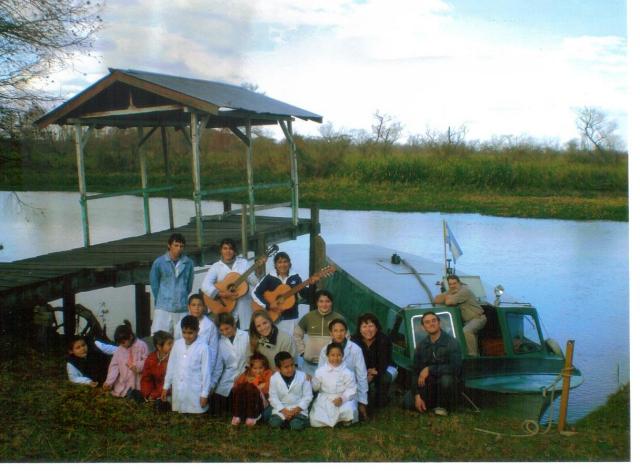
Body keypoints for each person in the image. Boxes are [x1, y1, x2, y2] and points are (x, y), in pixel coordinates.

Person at [404, 311, 462, 416]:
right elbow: (415, 371)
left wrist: (430, 369)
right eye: (427, 322)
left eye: (434, 321)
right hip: (430, 384)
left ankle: (444, 406)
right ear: (423, 327)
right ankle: (429, 403)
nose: (431, 324)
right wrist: (417, 395)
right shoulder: (421, 346)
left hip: (447, 383)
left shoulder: (451, 342)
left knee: (446, 380)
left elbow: (456, 367)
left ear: (439, 323)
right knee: (407, 401)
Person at [251, 251, 317, 336]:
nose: (283, 265)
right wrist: (268, 305)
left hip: (291, 317)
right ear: (275, 265)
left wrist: (312, 285)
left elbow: (306, 295)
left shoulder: (295, 277)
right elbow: (255, 293)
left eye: (285, 261)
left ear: (289, 263)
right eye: (279, 262)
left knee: (292, 345)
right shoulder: (269, 278)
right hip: (272, 318)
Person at [201, 238, 261, 330]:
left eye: (230, 248)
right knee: (228, 333)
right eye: (225, 248)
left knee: (246, 333)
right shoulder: (216, 267)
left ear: (234, 251)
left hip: (243, 305)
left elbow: (255, 283)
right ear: (221, 250)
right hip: (225, 305)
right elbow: (205, 285)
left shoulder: (243, 263)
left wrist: (257, 269)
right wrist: (222, 294)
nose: (228, 251)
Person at [318, 318, 368, 420]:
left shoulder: (355, 349)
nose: (339, 334)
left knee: (349, 413)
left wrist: (362, 402)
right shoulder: (324, 350)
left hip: (350, 390)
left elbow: (361, 376)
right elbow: (320, 374)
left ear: (346, 332)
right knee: (321, 417)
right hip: (330, 391)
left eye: (342, 330)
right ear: (331, 333)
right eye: (335, 331)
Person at [161, 315, 212, 414]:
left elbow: (206, 372)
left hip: (195, 388)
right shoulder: (177, 344)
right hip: (179, 385)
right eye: (184, 332)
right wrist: (166, 386)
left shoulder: (203, 347)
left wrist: (204, 394)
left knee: (195, 412)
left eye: (190, 333)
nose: (187, 336)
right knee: (180, 411)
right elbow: (171, 366)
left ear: (197, 330)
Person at [150, 233, 194, 339]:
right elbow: (154, 284)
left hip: (181, 308)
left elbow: (189, 285)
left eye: (181, 246)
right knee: (160, 338)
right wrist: (162, 298)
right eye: (176, 245)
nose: (179, 249)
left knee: (181, 339)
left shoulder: (188, 263)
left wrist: (181, 296)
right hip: (163, 307)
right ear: (169, 245)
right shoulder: (159, 262)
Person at [350, 312, 395, 412]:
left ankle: (383, 396)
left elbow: (385, 360)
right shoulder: (354, 340)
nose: (368, 330)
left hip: (384, 368)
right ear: (359, 328)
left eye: (371, 326)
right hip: (364, 370)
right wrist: (365, 374)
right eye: (364, 326)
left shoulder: (384, 339)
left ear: (377, 327)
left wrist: (375, 372)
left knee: (384, 379)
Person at [294, 290, 344, 375]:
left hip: (331, 366)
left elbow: (347, 338)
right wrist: (302, 352)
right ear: (317, 303)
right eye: (321, 301)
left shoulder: (339, 318)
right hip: (309, 366)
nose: (324, 304)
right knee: (309, 388)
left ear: (331, 303)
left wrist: (338, 354)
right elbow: (296, 334)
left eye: (327, 301)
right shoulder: (308, 317)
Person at [434, 274, 486, 356]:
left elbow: (448, 302)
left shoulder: (464, 291)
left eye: (454, 283)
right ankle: (476, 356)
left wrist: (448, 295)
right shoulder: (452, 291)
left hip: (478, 319)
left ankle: (472, 356)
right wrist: (450, 292)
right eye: (450, 284)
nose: (452, 286)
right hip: (468, 321)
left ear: (459, 283)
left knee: (466, 331)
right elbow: (436, 300)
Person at [310, 342, 358, 427]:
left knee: (349, 409)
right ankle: (336, 421)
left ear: (343, 356)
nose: (335, 358)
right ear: (327, 356)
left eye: (339, 355)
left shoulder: (347, 372)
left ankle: (343, 419)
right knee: (314, 420)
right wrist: (312, 380)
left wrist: (342, 399)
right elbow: (315, 388)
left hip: (341, 398)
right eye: (332, 355)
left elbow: (351, 389)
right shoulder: (320, 371)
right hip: (326, 398)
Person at [211, 313, 250, 414]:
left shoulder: (246, 336)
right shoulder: (220, 342)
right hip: (228, 377)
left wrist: (244, 375)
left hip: (245, 373)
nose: (224, 332)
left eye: (227, 328)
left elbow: (252, 359)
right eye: (221, 330)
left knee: (239, 399)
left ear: (234, 324)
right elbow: (219, 367)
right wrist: (213, 384)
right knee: (216, 405)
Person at [102, 320, 148, 400]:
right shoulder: (119, 350)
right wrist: (109, 382)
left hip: (138, 381)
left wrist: (137, 366)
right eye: (119, 343)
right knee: (123, 394)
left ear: (130, 337)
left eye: (123, 342)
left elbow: (147, 361)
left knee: (137, 396)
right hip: (124, 381)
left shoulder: (141, 345)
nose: (121, 345)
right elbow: (114, 367)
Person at [268, 351, 313, 431]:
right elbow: (273, 397)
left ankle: (294, 422)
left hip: (298, 409)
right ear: (278, 368)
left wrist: (297, 409)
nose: (290, 369)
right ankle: (286, 421)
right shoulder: (274, 378)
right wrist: (283, 410)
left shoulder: (303, 376)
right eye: (286, 367)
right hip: (282, 409)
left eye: (292, 365)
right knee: (274, 423)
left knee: (296, 426)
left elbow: (308, 396)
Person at [231, 353, 273, 426]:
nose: (258, 371)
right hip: (246, 402)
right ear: (251, 368)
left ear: (265, 367)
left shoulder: (268, 373)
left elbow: (268, 388)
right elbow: (237, 386)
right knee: (242, 386)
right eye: (255, 368)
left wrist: (257, 385)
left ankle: (252, 416)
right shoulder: (247, 374)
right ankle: (237, 415)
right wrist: (248, 383)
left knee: (250, 388)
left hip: (261, 401)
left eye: (261, 368)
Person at [140, 330, 173, 411]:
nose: (172, 346)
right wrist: (147, 393)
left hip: (169, 391)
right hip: (155, 391)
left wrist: (155, 394)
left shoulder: (173, 359)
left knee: (165, 402)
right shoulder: (151, 358)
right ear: (159, 346)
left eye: (172, 343)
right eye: (169, 344)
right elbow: (146, 378)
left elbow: (171, 383)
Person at [187, 293, 219, 363]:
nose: (196, 308)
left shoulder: (210, 326)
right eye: (193, 305)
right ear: (189, 307)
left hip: (203, 362)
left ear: (204, 307)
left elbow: (213, 350)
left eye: (199, 305)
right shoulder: (181, 323)